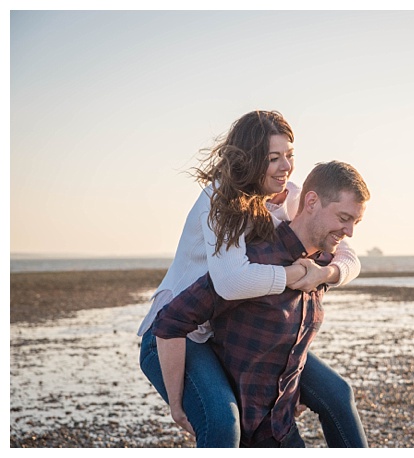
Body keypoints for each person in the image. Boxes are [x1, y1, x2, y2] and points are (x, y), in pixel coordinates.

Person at [138, 111, 368, 447]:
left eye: (289, 156)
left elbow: (346, 252)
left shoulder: (290, 196)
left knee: (336, 394)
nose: (285, 166)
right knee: (222, 421)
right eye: (273, 158)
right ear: (250, 160)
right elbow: (231, 282)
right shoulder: (220, 201)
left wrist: (324, 273)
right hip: (177, 334)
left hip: (220, 328)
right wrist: (292, 274)